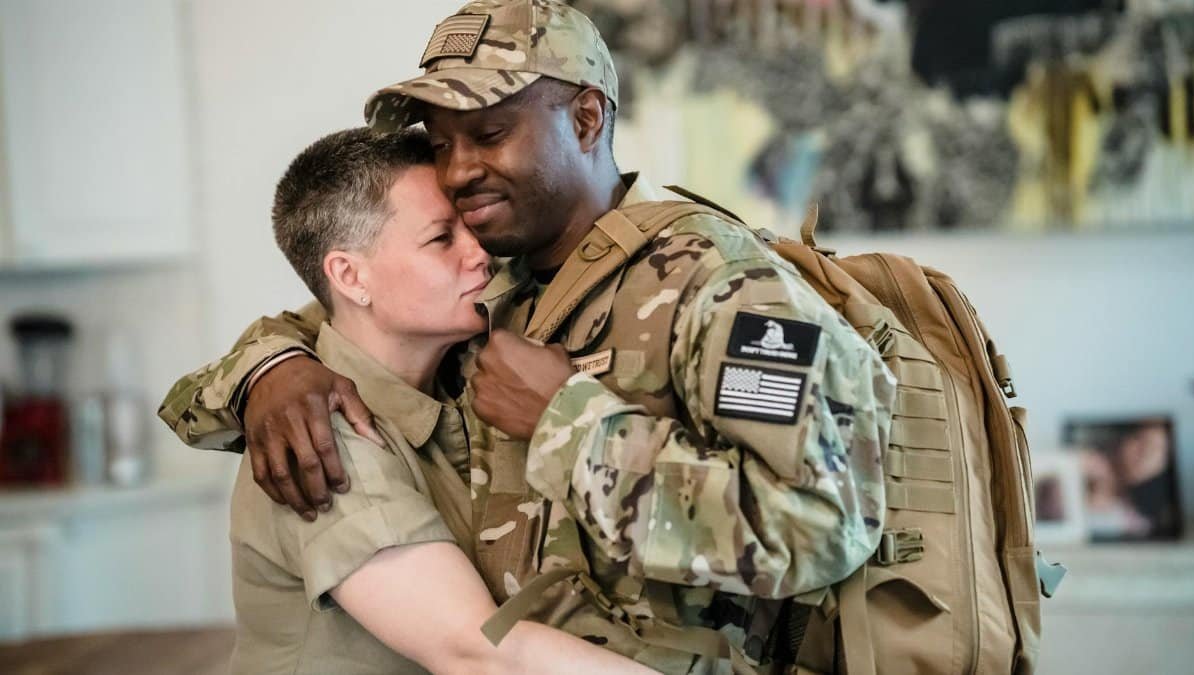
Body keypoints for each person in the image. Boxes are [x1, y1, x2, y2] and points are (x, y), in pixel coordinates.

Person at [160, 1, 896, 669]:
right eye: (441, 144)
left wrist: (570, 425)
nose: (459, 171)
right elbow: (351, 319)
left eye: (487, 134)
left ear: (584, 119)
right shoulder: (497, 285)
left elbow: (823, 524)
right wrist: (271, 368)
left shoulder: (720, 286)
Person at [223, 126, 649, 675]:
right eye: (441, 239)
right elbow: (477, 652)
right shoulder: (321, 439)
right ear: (350, 276)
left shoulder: (462, 383)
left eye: (469, 227)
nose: (480, 253)